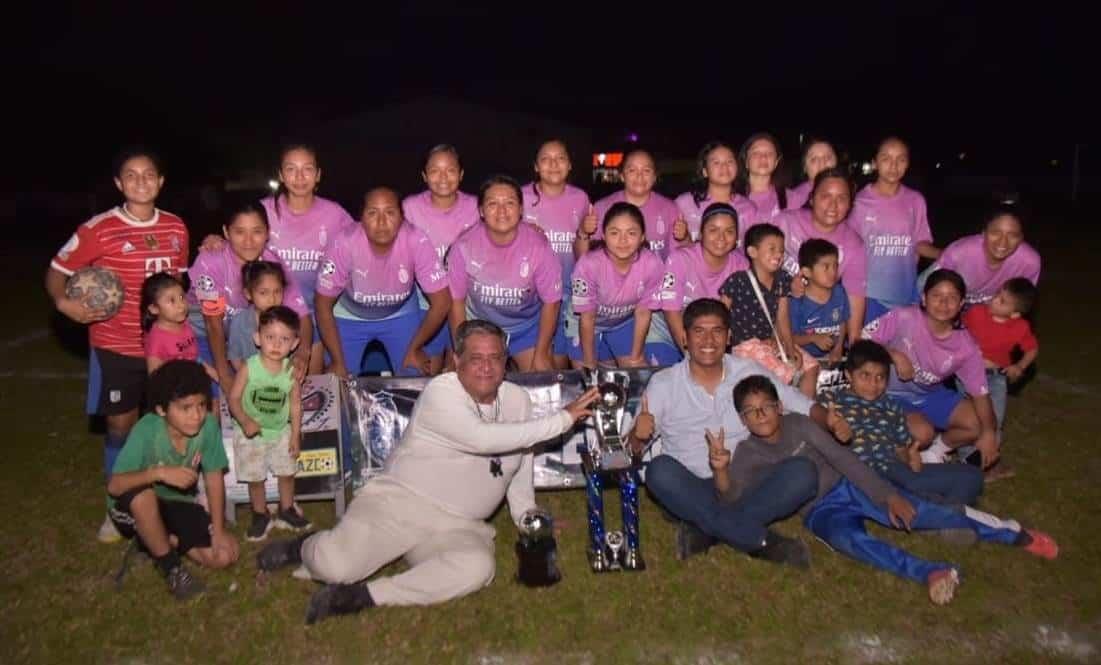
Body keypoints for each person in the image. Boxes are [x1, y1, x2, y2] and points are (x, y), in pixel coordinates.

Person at [256, 320, 600, 623]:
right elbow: (483, 439)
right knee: (335, 566)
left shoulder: (517, 401)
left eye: (494, 358)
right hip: (399, 505)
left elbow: (519, 460)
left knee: (478, 568)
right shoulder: (441, 393)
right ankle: (302, 547)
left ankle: (365, 596)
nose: (486, 367)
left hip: (460, 524)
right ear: (456, 362)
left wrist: (528, 515)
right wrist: (564, 418)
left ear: (505, 361)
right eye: (475, 359)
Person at [723, 374, 1057, 606]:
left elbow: (844, 458)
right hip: (819, 511)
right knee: (851, 542)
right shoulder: (747, 453)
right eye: (751, 412)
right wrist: (721, 469)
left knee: (925, 513)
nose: (761, 415)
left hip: (849, 485)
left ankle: (1010, 532)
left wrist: (888, 496)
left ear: (779, 407)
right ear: (742, 419)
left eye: (766, 406)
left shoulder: (800, 425)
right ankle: (932, 572)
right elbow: (734, 499)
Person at [630, 298, 852, 563]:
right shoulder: (664, 383)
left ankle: (706, 529)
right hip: (692, 483)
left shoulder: (746, 370)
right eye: (699, 331)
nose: (709, 340)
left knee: (803, 472)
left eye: (717, 331)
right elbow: (630, 449)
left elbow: (795, 401)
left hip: (745, 478)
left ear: (728, 337)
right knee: (659, 471)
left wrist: (828, 419)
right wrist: (639, 436)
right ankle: (763, 542)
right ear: (684, 338)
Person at [46, 147, 190, 543]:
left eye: (149, 174)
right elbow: (58, 271)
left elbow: (177, 285)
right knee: (119, 427)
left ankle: (167, 498)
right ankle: (118, 507)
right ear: (118, 183)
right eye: (131, 174)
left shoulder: (177, 228)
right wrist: (63, 302)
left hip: (163, 345)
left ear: (161, 182)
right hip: (117, 346)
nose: (141, 181)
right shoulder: (99, 229)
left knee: (169, 425)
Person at [200, 143, 356, 374]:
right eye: (291, 169)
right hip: (260, 312)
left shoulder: (335, 215)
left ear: (318, 174)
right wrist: (217, 242)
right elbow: (241, 234)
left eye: (308, 169)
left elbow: (360, 244)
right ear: (281, 175)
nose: (300, 177)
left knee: (307, 385)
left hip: (314, 314)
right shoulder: (264, 210)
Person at [106, 360, 238, 599]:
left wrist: (218, 531)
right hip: (132, 505)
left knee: (224, 555)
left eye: (200, 405)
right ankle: (172, 569)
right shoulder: (147, 430)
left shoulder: (207, 425)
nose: (196, 415)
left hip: (175, 503)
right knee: (144, 496)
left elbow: (214, 478)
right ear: (161, 409)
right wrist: (159, 473)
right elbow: (115, 486)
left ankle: (159, 540)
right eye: (185, 408)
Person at [818, 340, 984, 507]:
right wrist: (833, 428)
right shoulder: (832, 401)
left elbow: (900, 450)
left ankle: (945, 509)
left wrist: (911, 459)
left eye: (880, 377)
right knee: (915, 486)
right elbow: (817, 438)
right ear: (848, 375)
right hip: (858, 475)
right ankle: (944, 509)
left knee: (973, 476)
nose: (873, 384)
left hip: (894, 470)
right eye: (865, 375)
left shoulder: (891, 405)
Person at [862, 269, 999, 468]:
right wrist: (893, 354)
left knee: (978, 423)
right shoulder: (904, 317)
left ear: (961, 304)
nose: (944, 303)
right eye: (937, 296)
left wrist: (989, 433)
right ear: (924, 299)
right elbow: (862, 339)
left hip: (927, 395)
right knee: (922, 434)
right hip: (886, 393)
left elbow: (980, 393)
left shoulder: (965, 346)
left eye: (952, 298)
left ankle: (934, 454)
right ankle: (880, 451)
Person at [314, 187, 450, 377]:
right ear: (361, 218)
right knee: (339, 381)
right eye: (372, 213)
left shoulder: (416, 240)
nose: (382, 222)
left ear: (402, 217)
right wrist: (337, 361)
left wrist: (416, 347)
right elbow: (322, 303)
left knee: (413, 374)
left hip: (399, 313)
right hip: (349, 315)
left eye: (390, 212)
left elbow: (442, 302)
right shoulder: (344, 242)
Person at [187, 202, 312, 395]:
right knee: (217, 397)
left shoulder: (273, 263)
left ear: (268, 233)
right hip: (204, 336)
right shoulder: (210, 263)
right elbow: (213, 323)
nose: (248, 241)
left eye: (257, 231)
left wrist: (303, 353)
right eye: (239, 232)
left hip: (250, 336)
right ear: (226, 233)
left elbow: (301, 315)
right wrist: (224, 375)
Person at [447, 176, 562, 371]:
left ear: (521, 209)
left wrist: (541, 353)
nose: (501, 211)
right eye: (492, 204)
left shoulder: (539, 247)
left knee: (541, 381)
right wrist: (462, 349)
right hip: (480, 329)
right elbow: (456, 302)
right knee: (467, 382)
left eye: (509, 203)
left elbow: (551, 302)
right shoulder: (464, 246)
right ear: (481, 211)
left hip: (526, 330)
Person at [228, 305, 310, 540]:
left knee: (287, 472)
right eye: (270, 337)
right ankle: (260, 513)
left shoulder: (291, 371)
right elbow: (233, 398)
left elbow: (295, 404)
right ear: (257, 338)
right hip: (250, 432)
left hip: (280, 430)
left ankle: (287, 509)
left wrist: (295, 434)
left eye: (284, 339)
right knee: (255, 478)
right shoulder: (249, 367)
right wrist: (244, 420)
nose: (276, 344)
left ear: (294, 344)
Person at [403, 144, 480, 365]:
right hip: (425, 304)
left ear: (461, 174)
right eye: (435, 171)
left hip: (465, 304)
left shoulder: (477, 207)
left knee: (462, 367)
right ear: (424, 176)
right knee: (430, 371)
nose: (443, 177)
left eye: (450, 170)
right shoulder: (410, 208)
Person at [720, 224, 818, 397]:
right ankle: (777, 415)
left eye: (781, 249)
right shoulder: (738, 281)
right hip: (745, 346)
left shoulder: (782, 279)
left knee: (811, 366)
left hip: (770, 342)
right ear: (752, 252)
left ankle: (805, 411)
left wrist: (789, 347)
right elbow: (721, 312)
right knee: (783, 373)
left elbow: (782, 317)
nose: (778, 254)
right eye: (771, 249)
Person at [848, 137, 940, 322]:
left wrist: (947, 254)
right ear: (875, 163)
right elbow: (850, 250)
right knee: (871, 351)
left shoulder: (915, 200)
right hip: (869, 297)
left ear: (908, 164)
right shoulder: (858, 202)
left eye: (901, 159)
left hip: (905, 295)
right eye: (886, 158)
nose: (893, 165)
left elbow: (920, 243)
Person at [774, 167, 868, 342]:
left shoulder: (853, 244)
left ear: (850, 205)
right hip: (773, 321)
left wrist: (855, 341)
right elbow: (760, 270)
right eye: (826, 196)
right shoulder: (785, 222)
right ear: (812, 198)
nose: (833, 205)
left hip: (813, 328)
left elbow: (855, 293)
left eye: (842, 198)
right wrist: (787, 285)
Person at [568, 202, 666, 368]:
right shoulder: (589, 264)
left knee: (636, 371)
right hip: (584, 322)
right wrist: (589, 363)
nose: (623, 240)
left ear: (642, 237)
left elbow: (643, 313)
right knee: (588, 379)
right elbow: (587, 317)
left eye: (631, 233)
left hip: (622, 322)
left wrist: (636, 357)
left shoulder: (652, 263)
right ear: (604, 236)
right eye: (614, 233)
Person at [523, 140, 593, 368]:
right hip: (531, 296)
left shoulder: (581, 199)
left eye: (560, 158)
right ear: (535, 166)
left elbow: (584, 251)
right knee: (536, 364)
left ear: (570, 164)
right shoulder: (519, 197)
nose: (553, 164)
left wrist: (584, 234)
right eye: (546, 159)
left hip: (568, 294)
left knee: (560, 363)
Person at [960, 278, 1039, 445]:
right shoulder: (976, 313)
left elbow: (1032, 349)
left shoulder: (1020, 327)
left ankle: (990, 459)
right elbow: (958, 331)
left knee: (994, 418)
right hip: (968, 374)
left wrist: (1019, 366)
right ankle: (968, 461)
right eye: (997, 294)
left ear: (1014, 314)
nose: (994, 300)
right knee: (969, 417)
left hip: (996, 377)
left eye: (1002, 301)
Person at [661, 202, 749, 349]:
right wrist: (689, 355)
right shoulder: (679, 259)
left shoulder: (741, 265)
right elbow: (671, 310)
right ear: (701, 234)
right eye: (713, 230)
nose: (721, 238)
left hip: (711, 338)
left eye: (729, 231)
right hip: (668, 332)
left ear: (736, 238)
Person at [923, 205, 1041, 305]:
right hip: (952, 305)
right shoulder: (960, 252)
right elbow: (929, 290)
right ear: (983, 233)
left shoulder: (1029, 262)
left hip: (991, 311)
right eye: (995, 233)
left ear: (1021, 238)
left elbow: (1018, 304)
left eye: (1012, 235)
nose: (1003, 242)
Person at [674, 141, 757, 243]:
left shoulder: (748, 208)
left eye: (729, 161)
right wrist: (685, 237)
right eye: (716, 162)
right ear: (705, 171)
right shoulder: (684, 203)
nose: (724, 166)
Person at [788, 239, 849, 364]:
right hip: (803, 361)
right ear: (807, 272)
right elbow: (789, 338)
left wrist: (838, 349)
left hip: (832, 358)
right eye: (826, 267)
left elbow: (843, 322)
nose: (832, 272)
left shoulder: (839, 292)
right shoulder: (797, 301)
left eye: (835, 266)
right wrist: (813, 338)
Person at [226, 260, 287, 370]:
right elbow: (235, 357)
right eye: (263, 293)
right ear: (248, 294)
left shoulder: (287, 321)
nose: (272, 299)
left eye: (277, 291)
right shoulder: (239, 322)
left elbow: (291, 358)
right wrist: (246, 380)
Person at [140, 272, 204, 375]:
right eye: (172, 301)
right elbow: (155, 379)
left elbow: (195, 358)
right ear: (154, 308)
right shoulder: (156, 340)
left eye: (182, 297)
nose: (181, 305)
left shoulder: (185, 323)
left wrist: (214, 373)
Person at [735, 132, 787, 224]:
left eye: (769, 153)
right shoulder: (731, 198)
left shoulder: (791, 199)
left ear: (776, 162)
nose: (763, 157)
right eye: (756, 153)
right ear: (746, 161)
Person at [786, 138, 838, 209]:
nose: (822, 163)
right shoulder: (793, 201)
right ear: (805, 167)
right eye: (814, 159)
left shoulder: (850, 196)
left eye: (828, 157)